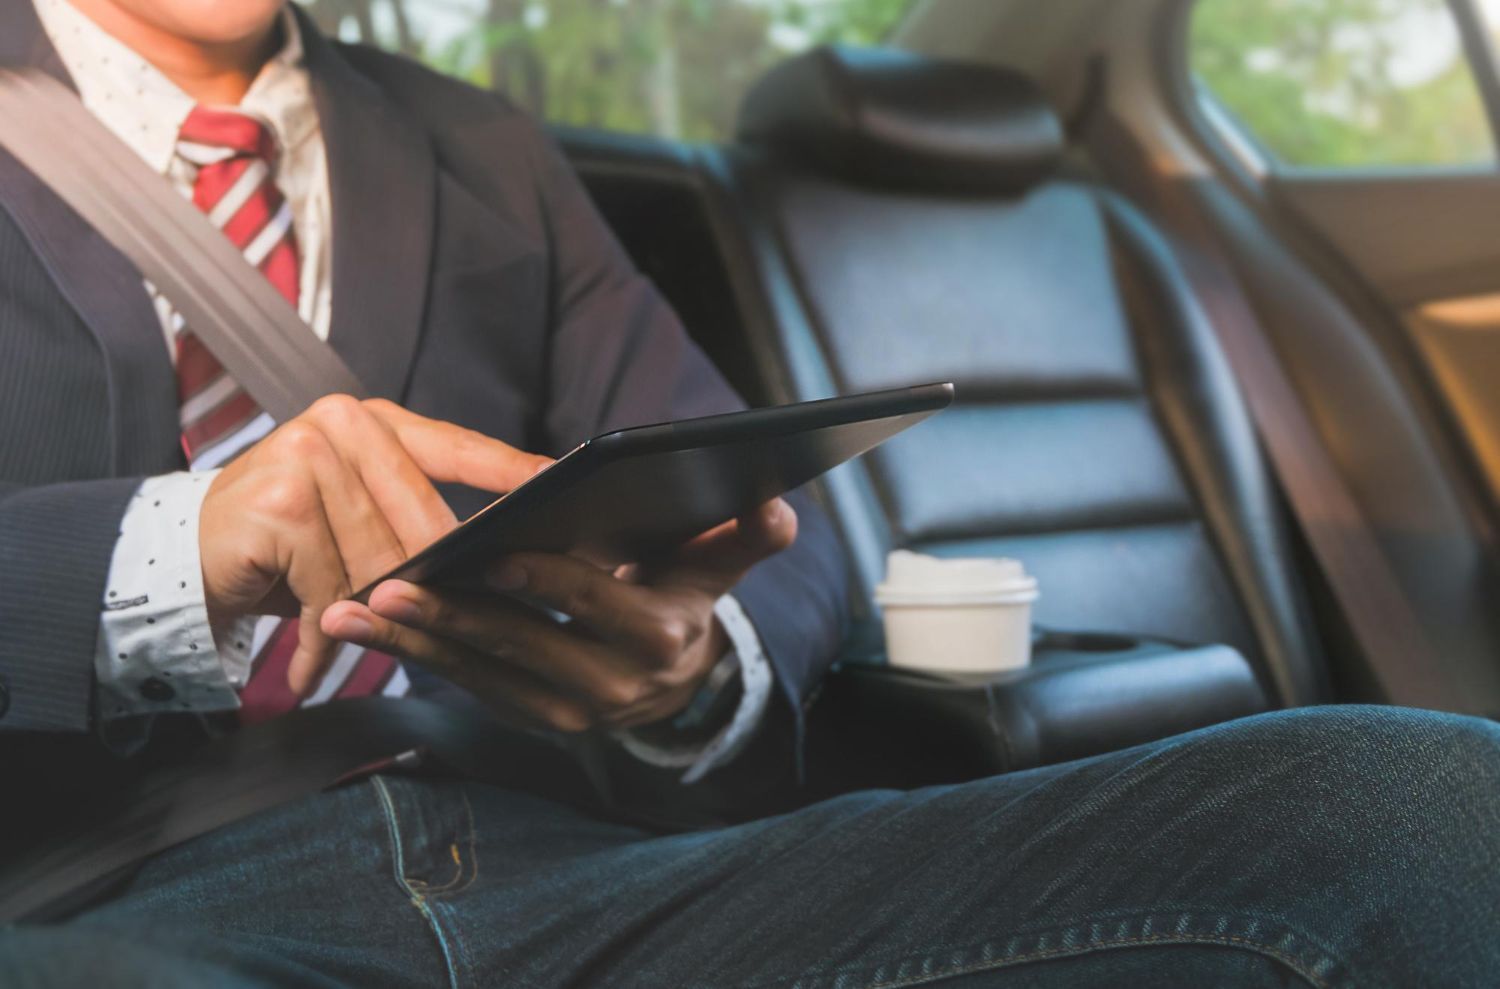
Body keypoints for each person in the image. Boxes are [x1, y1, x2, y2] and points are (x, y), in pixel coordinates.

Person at [0, 2, 1497, 986]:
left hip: (578, 873)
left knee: (1429, 801)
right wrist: (171, 551)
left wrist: (689, 672)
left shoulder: (480, 150)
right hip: (87, 890)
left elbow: (773, 523)